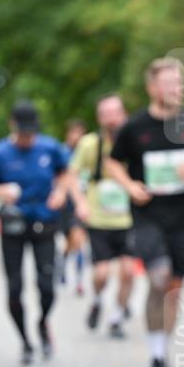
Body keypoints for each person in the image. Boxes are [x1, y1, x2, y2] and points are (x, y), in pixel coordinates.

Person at [105, 58, 184, 367]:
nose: (176, 89)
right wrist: (130, 186)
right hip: (147, 216)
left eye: (179, 83)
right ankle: (156, 356)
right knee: (157, 277)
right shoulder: (136, 126)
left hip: (182, 219)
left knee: (173, 288)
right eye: (169, 83)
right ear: (152, 88)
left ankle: (162, 351)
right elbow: (113, 163)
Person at [0, 100, 73, 364]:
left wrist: (61, 192)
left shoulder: (50, 148)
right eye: (23, 133)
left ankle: (43, 322)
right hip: (13, 227)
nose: (28, 138)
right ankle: (25, 341)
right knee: (15, 288)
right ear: (12, 126)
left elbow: (66, 174)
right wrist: (0, 191)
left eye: (31, 133)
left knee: (46, 286)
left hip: (44, 224)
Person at [70, 93, 135, 339]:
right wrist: (80, 202)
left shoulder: (133, 140)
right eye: (105, 114)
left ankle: (117, 317)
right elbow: (72, 175)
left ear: (124, 115)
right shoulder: (89, 144)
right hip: (99, 219)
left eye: (115, 113)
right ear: (99, 118)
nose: (111, 120)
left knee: (128, 272)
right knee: (102, 273)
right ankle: (97, 299)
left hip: (129, 219)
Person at [58, 118, 89, 295]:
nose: (77, 137)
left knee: (78, 241)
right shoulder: (62, 153)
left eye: (80, 133)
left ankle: (78, 280)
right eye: (74, 133)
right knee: (69, 241)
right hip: (66, 205)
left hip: (82, 205)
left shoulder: (87, 153)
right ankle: (61, 262)